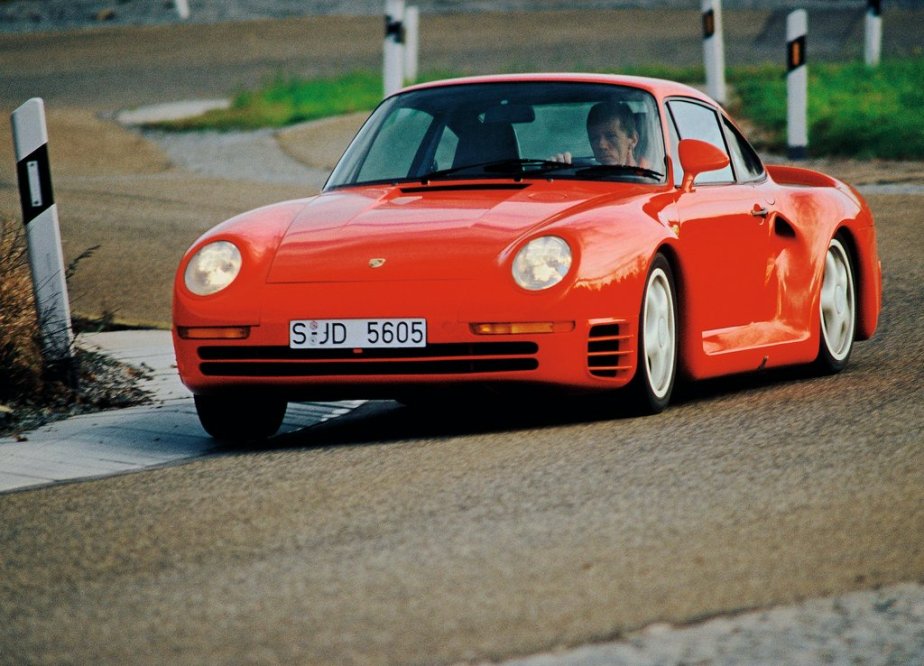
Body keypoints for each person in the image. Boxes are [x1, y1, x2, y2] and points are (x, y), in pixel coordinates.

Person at [550, 101, 647, 167]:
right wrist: (558, 172)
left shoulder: (653, 178)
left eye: (611, 136)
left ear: (633, 140)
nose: (601, 145)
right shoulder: (585, 177)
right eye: (594, 138)